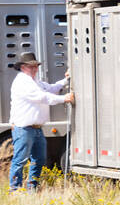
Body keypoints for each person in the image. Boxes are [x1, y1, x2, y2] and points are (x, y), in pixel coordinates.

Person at [8, 51, 73, 191]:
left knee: (39, 160)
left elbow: (51, 88)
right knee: (20, 160)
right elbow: (42, 97)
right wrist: (64, 99)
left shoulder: (34, 81)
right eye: (31, 66)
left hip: (35, 128)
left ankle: (32, 188)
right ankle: (15, 190)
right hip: (24, 128)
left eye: (36, 66)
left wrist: (65, 80)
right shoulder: (22, 82)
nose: (35, 69)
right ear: (23, 67)